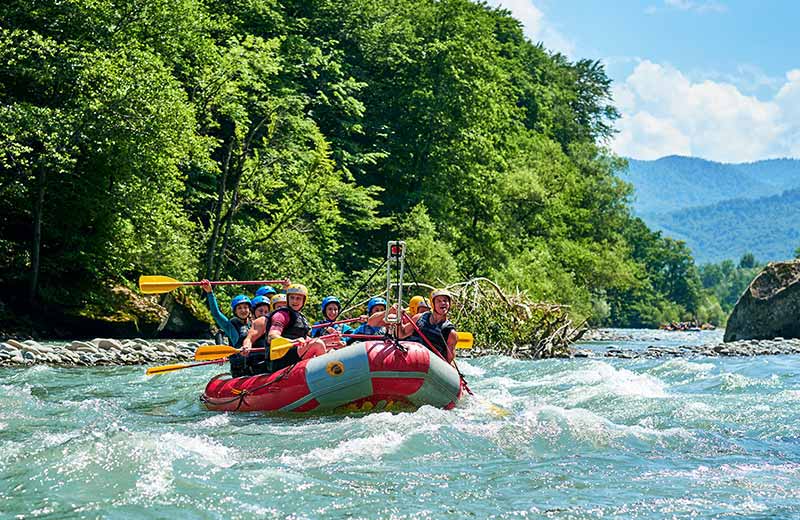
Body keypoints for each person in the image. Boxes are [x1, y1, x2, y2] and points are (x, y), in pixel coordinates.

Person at [241, 283, 329, 373]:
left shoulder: (299, 317)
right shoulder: (280, 315)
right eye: (292, 298)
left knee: (323, 345)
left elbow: (304, 338)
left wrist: (327, 341)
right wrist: (292, 342)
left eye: (298, 298)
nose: (294, 301)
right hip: (279, 358)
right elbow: (272, 336)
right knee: (317, 344)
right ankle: (327, 374)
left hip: (293, 353)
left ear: (304, 301)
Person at [398, 288, 457, 363]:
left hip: (430, 365)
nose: (443, 303)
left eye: (445, 300)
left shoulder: (451, 332)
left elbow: (448, 361)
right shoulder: (418, 317)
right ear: (433, 304)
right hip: (410, 358)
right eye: (439, 301)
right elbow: (401, 334)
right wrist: (399, 319)